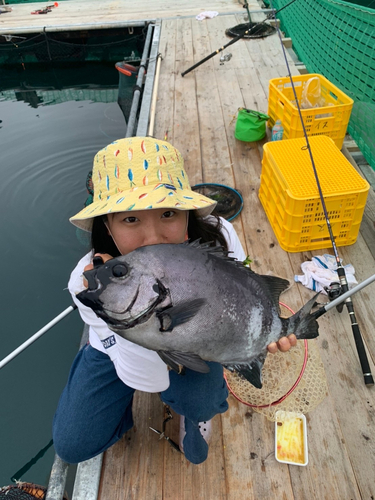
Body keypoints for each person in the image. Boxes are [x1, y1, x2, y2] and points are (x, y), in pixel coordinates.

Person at [53, 136, 296, 466]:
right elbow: (149, 376)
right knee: (72, 444)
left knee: (198, 401)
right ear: (107, 226)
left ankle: (193, 412)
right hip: (119, 345)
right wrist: (130, 316)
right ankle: (120, 406)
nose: (152, 237)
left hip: (198, 338)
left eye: (168, 213)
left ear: (186, 213)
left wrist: (255, 333)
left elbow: (245, 294)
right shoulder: (87, 282)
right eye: (130, 219)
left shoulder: (220, 235)